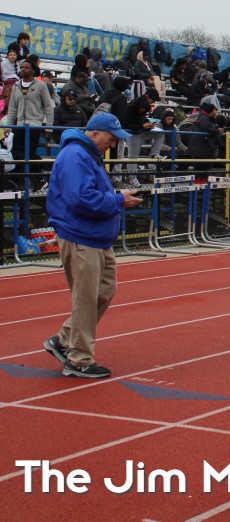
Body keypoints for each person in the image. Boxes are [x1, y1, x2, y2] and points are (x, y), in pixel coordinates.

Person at [43, 113, 143, 378]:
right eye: (110, 139)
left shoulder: (87, 154)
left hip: (95, 237)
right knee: (86, 299)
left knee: (104, 291)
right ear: (95, 133)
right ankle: (78, 359)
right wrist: (118, 201)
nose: (112, 145)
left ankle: (64, 340)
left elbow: (88, 194)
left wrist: (116, 198)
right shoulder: (76, 155)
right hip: (81, 236)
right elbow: (81, 199)